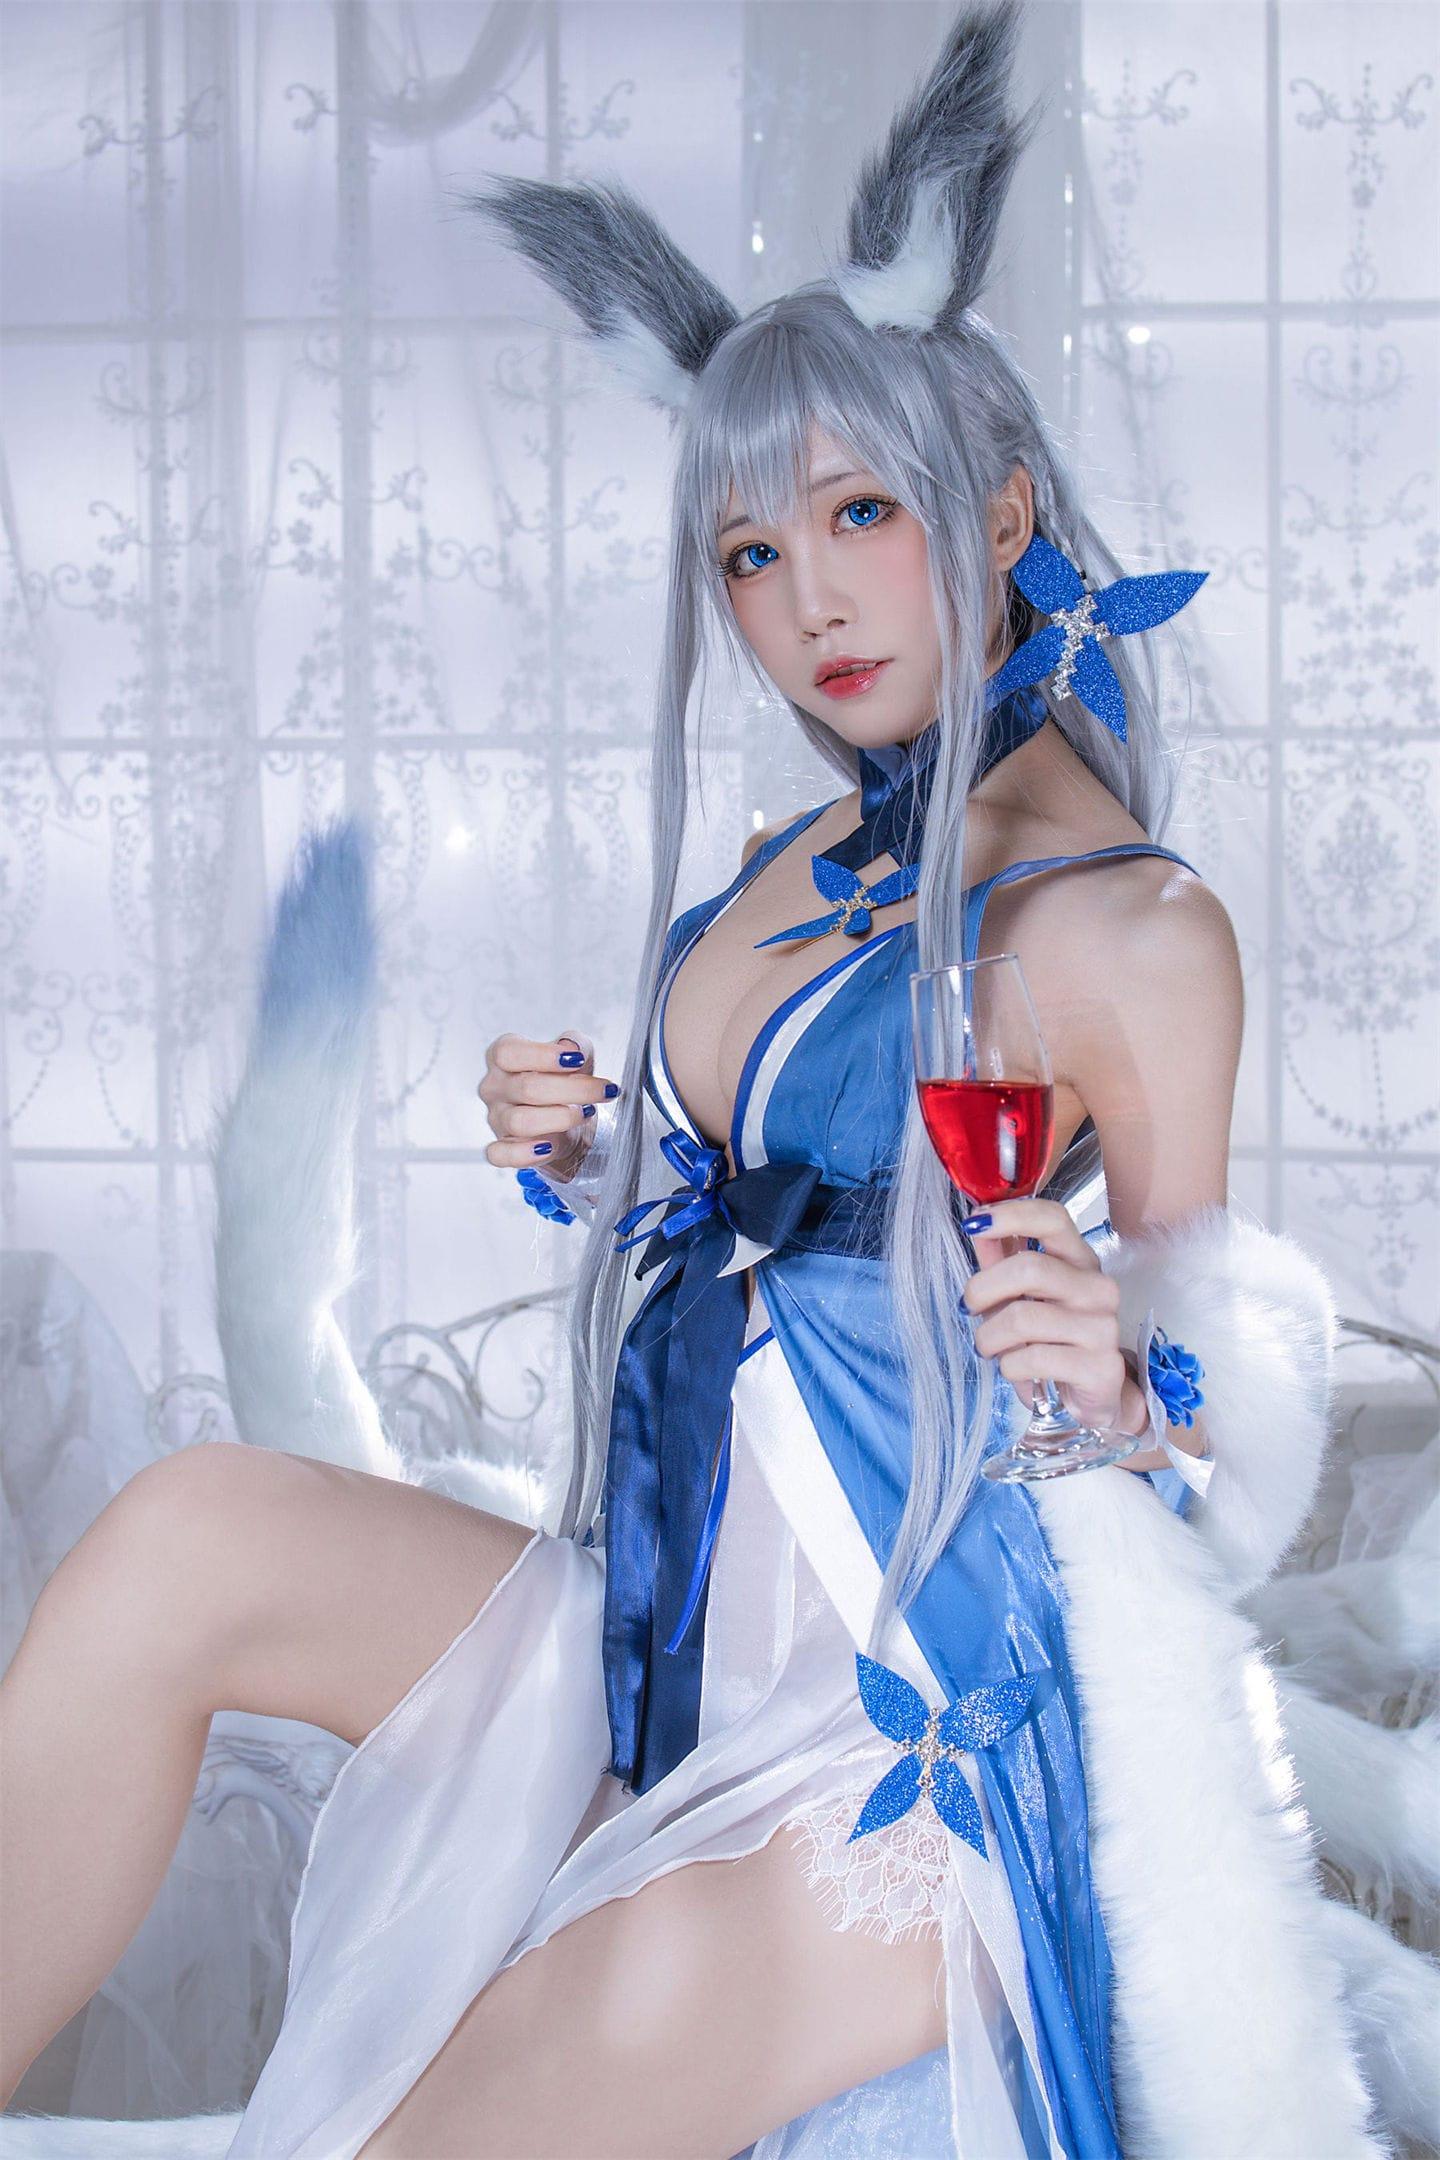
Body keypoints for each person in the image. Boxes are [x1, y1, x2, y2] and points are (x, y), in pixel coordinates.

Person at [0, 5, 1413, 2156]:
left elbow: (1227, 1405)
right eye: (750, 552)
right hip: (657, 1638)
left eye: (859, 513)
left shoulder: (1132, 928)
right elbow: (756, 1218)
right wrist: (592, 1155)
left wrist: (1136, 1381)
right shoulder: (785, 859)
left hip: (907, 1727)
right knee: (188, 1530)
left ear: (1002, 505)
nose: (806, 600)